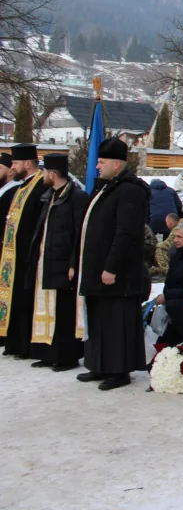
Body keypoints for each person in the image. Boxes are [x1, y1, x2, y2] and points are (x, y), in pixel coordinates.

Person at [76, 138, 150, 391]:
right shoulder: (106, 188)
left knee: (116, 322)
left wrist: (111, 267)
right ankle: (99, 365)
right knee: (99, 319)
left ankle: (119, 371)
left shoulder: (130, 190)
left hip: (119, 274)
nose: (97, 166)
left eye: (101, 162)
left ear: (116, 164)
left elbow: (125, 233)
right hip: (97, 269)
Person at [27, 153, 88, 371]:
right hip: (47, 260)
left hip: (64, 263)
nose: (42, 175)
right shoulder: (50, 195)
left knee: (63, 311)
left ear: (52, 174)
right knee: (46, 309)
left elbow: (78, 234)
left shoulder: (77, 197)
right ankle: (47, 353)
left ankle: (65, 357)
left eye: (44, 172)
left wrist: (73, 263)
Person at [0, 144, 49, 359]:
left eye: (16, 163)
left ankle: (24, 345)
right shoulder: (21, 187)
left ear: (27, 163)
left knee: (25, 299)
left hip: (28, 256)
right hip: (14, 255)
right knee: (15, 299)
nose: (13, 167)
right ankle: (15, 343)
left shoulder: (40, 188)